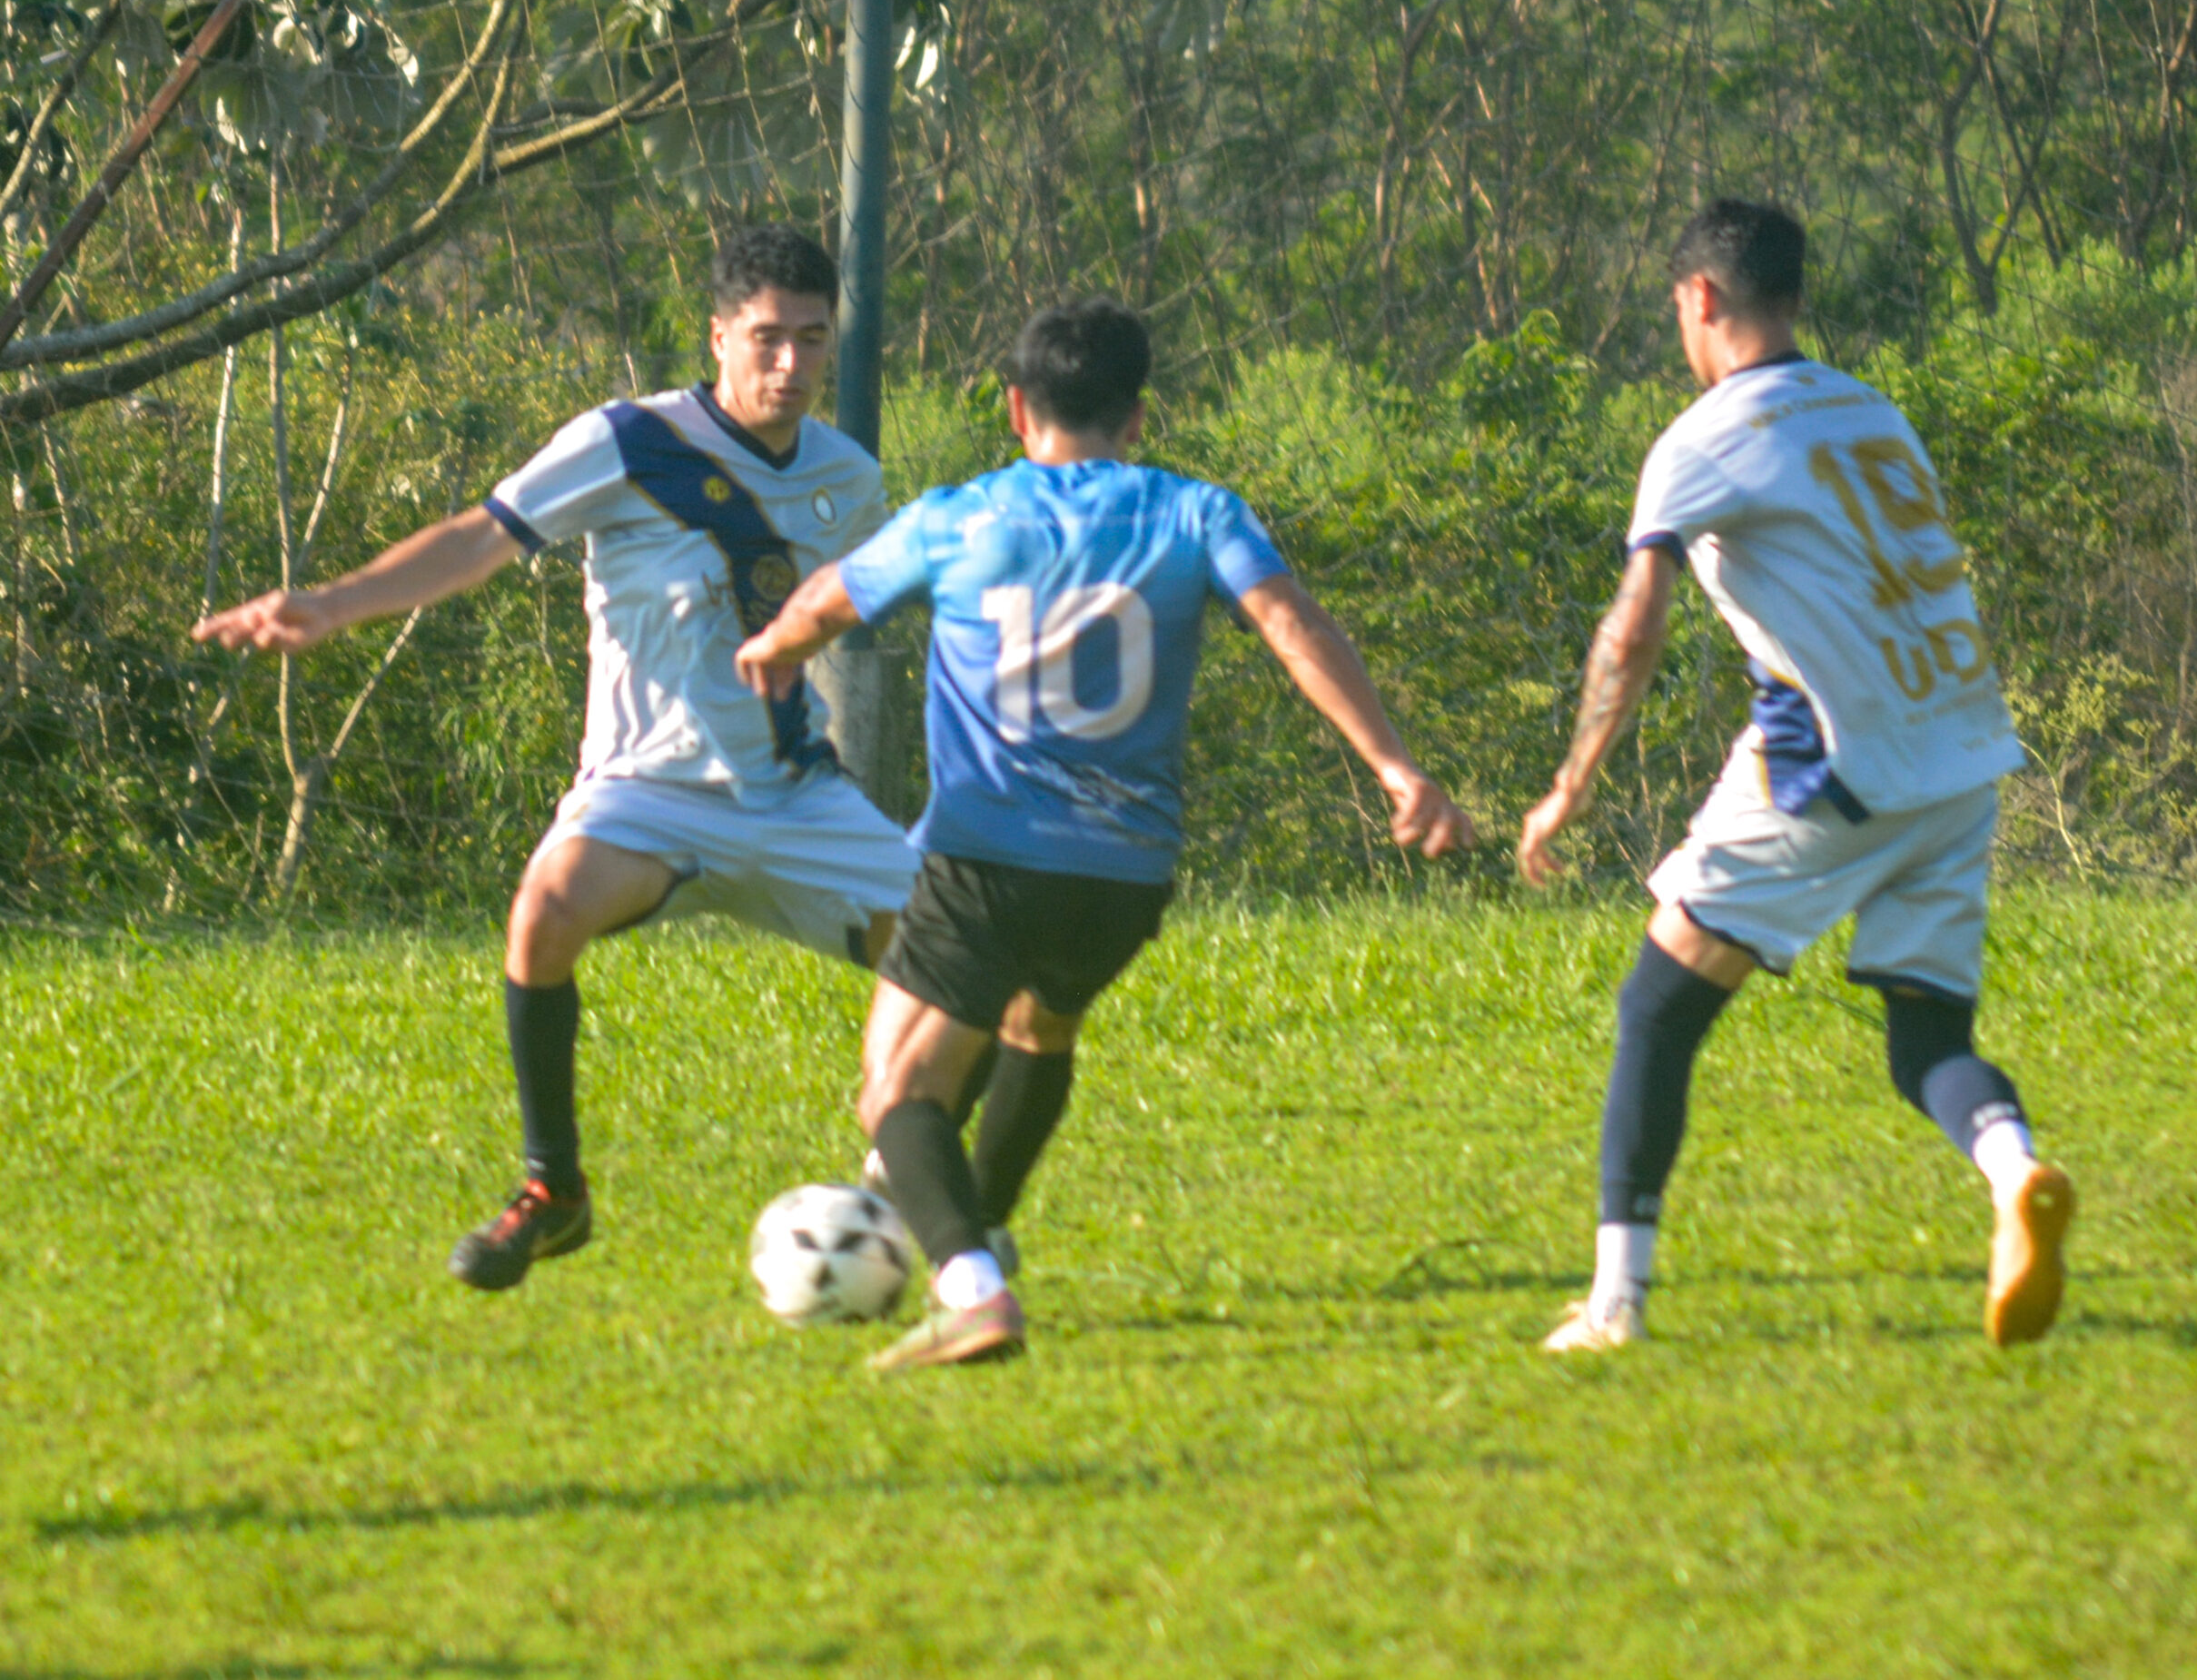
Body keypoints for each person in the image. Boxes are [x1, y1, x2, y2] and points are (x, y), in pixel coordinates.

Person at [736, 296, 1475, 1369]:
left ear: (1014, 408)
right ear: (1135, 418)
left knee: (896, 1091)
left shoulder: (962, 517)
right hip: (1127, 872)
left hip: (991, 856)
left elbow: (827, 605)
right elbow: (1291, 624)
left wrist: (772, 649)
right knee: (1039, 1029)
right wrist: (1395, 767)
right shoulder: (1197, 513)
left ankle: (971, 1288)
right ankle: (981, 1228)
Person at [196, 224, 919, 1290]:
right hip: (646, 796)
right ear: (718, 336)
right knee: (543, 911)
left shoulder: (848, 479)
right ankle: (553, 1190)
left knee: (974, 963)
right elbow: (479, 537)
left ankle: (911, 1189)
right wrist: (335, 604)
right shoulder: (627, 442)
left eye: (812, 340)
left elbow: (864, 605)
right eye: (767, 338)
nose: (790, 364)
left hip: (795, 796)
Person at [1517, 198, 2074, 1353]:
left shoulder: (1703, 436)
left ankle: (1614, 1306)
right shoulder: (1872, 411)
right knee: (1927, 1040)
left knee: (1657, 1006)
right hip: (1962, 751)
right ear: (1793, 294)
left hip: (1834, 764)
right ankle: (2016, 1169)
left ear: (1699, 297)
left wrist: (1570, 783)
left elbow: (1633, 629)